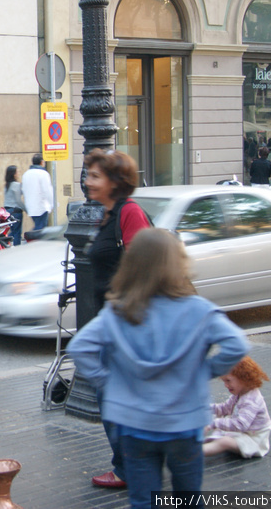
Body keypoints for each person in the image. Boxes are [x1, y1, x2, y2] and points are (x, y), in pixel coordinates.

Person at [68, 228, 249, 509]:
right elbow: (236, 343)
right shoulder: (199, 310)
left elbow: (79, 347)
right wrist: (206, 370)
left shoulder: (118, 311)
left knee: (143, 500)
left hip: (133, 424)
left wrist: (108, 381)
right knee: (188, 497)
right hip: (184, 423)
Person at [83, 148, 152, 489]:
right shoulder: (108, 216)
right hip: (111, 324)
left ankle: (130, 467)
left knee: (112, 396)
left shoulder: (130, 213)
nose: (87, 181)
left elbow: (144, 269)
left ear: (114, 181)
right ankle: (132, 463)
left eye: (95, 176)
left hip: (125, 326)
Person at [203, 356, 271, 458]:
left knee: (224, 442)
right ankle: (205, 443)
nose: (226, 385)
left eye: (228, 380)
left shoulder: (252, 400)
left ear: (243, 378)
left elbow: (240, 425)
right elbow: (225, 408)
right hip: (242, 433)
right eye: (224, 381)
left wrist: (213, 424)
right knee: (219, 422)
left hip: (254, 440)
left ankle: (194, 453)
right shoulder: (239, 393)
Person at [21, 153, 53, 230]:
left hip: (31, 207)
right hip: (42, 207)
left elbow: (24, 190)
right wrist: (52, 204)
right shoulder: (43, 174)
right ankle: (33, 241)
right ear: (42, 162)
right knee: (40, 230)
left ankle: (32, 239)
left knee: (38, 227)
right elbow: (47, 190)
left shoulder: (26, 174)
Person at [2, 165, 25, 245]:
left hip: (8, 211)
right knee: (17, 233)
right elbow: (18, 201)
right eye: (17, 172)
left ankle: (3, 241)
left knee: (13, 231)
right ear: (14, 174)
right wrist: (26, 209)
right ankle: (16, 250)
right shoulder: (16, 185)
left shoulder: (7, 185)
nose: (19, 173)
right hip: (16, 211)